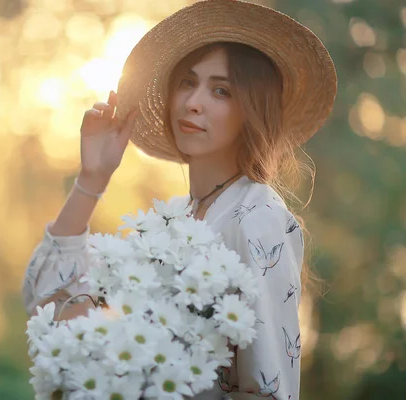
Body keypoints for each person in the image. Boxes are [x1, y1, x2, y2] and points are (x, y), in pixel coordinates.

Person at [22, 0, 337, 398]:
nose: (193, 101)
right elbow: (46, 304)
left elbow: (269, 391)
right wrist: (92, 178)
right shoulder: (170, 224)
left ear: (252, 110)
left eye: (220, 90)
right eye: (187, 82)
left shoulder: (258, 217)